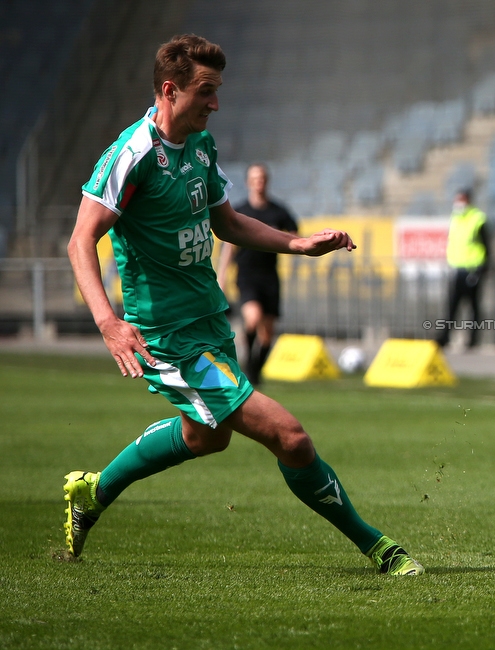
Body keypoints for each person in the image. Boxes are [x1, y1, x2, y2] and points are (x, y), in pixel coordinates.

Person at [63, 34, 422, 575]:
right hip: (169, 336)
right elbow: (79, 240)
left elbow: (226, 222)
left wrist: (297, 244)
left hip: (209, 320)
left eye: (217, 91)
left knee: (204, 436)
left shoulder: (201, 147)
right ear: (170, 89)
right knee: (290, 436)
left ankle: (94, 491)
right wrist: (108, 322)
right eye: (205, 91)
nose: (215, 103)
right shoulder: (131, 154)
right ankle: (379, 548)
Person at [217, 163, 298, 385]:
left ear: (267, 181)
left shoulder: (278, 212)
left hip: (270, 276)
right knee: (252, 319)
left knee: (267, 333)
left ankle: (256, 372)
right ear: (248, 182)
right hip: (247, 275)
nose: (258, 182)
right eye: (254, 178)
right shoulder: (240, 211)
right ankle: (248, 368)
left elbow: (295, 235)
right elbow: (228, 247)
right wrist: (221, 277)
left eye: (262, 178)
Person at [435, 188, 490, 349]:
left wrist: (483, 267)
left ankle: (472, 340)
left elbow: (486, 245)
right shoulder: (455, 218)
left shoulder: (477, 218)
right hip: (457, 269)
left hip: (473, 270)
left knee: (473, 307)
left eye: (461, 200)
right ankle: (445, 337)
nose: (458, 203)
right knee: (452, 306)